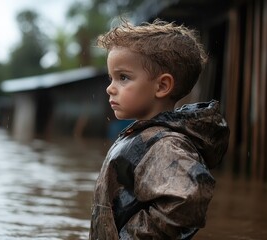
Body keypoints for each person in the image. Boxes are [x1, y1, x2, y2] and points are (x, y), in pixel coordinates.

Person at [89, 19, 230, 239]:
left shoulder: (165, 144)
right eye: (111, 78)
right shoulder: (145, 134)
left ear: (162, 86)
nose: (110, 88)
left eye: (123, 77)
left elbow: (187, 199)